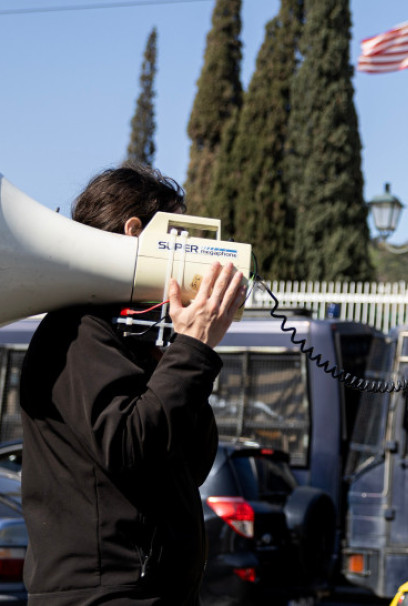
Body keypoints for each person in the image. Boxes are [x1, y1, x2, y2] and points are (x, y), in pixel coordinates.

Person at [19, 162, 248, 606]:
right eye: (179, 243)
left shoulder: (118, 335)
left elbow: (189, 465)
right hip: (108, 595)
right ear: (133, 231)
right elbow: (126, 443)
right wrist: (193, 349)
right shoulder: (79, 330)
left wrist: (180, 362)